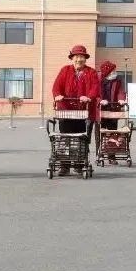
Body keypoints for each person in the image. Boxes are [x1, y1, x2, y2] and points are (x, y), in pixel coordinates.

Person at [52, 45, 100, 175]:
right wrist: (57, 95)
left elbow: (95, 88)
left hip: (83, 112)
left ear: (85, 59)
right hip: (66, 111)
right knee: (65, 139)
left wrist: (88, 97)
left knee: (81, 140)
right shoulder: (65, 70)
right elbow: (56, 86)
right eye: (77, 56)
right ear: (72, 58)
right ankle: (65, 166)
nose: (79, 59)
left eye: (82, 57)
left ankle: (79, 165)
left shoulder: (91, 72)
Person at [98, 61, 127, 165]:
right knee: (101, 133)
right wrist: (100, 100)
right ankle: (100, 154)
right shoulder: (99, 80)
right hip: (101, 110)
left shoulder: (117, 81)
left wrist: (121, 99)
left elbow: (121, 92)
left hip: (113, 109)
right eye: (113, 71)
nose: (115, 72)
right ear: (107, 72)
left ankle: (111, 156)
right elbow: (96, 93)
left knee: (113, 132)